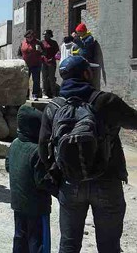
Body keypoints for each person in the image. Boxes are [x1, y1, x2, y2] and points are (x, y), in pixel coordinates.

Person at [39, 56, 137, 252]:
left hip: (70, 183)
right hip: (107, 181)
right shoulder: (107, 101)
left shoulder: (54, 107)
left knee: (69, 245)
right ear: (85, 74)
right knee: (109, 246)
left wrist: (58, 174)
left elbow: (43, 148)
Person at [6, 105, 52, 253]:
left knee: (20, 238)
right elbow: (42, 181)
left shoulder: (14, 144)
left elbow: (8, 166)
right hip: (37, 207)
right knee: (37, 243)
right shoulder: (37, 152)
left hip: (17, 203)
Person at [18, 29, 44, 100]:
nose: (29, 38)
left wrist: (40, 50)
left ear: (33, 36)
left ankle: (35, 94)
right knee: (25, 80)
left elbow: (44, 53)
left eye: (30, 37)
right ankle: (26, 95)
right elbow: (19, 54)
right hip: (26, 65)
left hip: (36, 64)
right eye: (27, 37)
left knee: (36, 80)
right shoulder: (22, 43)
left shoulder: (38, 42)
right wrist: (21, 60)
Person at [41, 30, 59, 98]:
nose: (44, 36)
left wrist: (53, 59)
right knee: (44, 78)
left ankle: (53, 93)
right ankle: (44, 93)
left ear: (50, 35)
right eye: (43, 34)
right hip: (43, 62)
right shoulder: (41, 43)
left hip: (51, 62)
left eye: (46, 34)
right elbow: (39, 52)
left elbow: (57, 53)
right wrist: (42, 57)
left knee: (52, 78)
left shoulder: (54, 43)